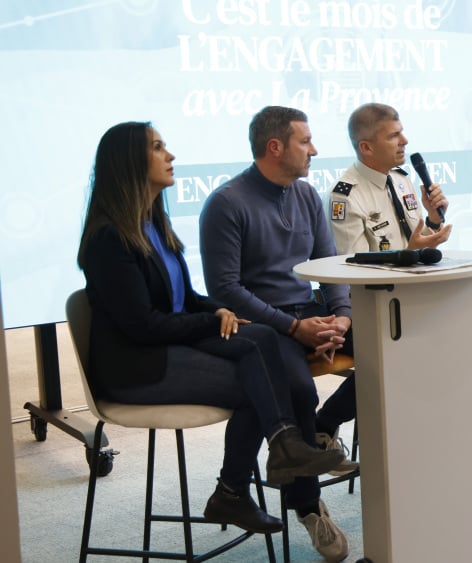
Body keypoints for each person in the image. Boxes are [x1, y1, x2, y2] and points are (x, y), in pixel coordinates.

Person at [77, 121, 348, 538]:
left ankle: (269, 461)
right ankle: (247, 479)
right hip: (134, 369)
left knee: (259, 342)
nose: (170, 155)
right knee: (260, 382)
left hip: (164, 348)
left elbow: (185, 296)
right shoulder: (108, 239)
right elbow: (143, 325)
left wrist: (220, 310)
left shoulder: (153, 225)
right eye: (157, 147)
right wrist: (214, 316)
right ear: (129, 162)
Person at [200, 106, 352, 562]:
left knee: (394, 351)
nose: (314, 149)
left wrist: (341, 317)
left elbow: (328, 268)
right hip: (266, 326)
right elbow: (225, 290)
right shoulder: (226, 203)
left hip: (312, 314)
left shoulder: (306, 195)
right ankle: (308, 507)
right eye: (306, 141)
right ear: (275, 147)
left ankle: (324, 430)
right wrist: (294, 328)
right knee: (298, 391)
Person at [329, 103, 472, 401]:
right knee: (420, 346)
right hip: (386, 302)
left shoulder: (401, 178)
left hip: (427, 286)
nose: (404, 141)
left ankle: (468, 400)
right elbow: (354, 273)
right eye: (394, 136)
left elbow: (419, 238)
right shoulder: (345, 196)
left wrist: (434, 220)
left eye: (402, 132)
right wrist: (410, 252)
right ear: (366, 147)